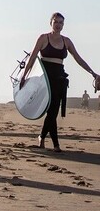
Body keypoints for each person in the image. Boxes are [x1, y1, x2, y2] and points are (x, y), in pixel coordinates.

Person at [20, 12, 98, 152]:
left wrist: (93, 73)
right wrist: (24, 76)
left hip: (59, 79)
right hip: (44, 80)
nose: (58, 25)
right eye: (56, 22)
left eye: (61, 23)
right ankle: (54, 143)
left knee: (53, 111)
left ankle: (42, 137)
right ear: (51, 23)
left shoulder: (66, 41)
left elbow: (79, 59)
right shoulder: (43, 38)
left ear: (63, 25)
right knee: (50, 111)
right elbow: (32, 58)